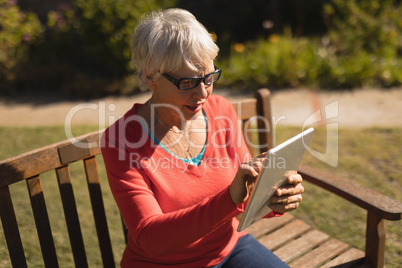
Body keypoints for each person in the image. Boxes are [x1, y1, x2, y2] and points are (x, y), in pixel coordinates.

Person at [101, 8, 304, 268]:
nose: (202, 94)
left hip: (229, 249)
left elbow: (246, 192)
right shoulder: (121, 140)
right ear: (151, 75)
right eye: (187, 82)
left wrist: (274, 197)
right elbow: (150, 238)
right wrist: (229, 199)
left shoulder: (220, 111)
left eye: (208, 78)